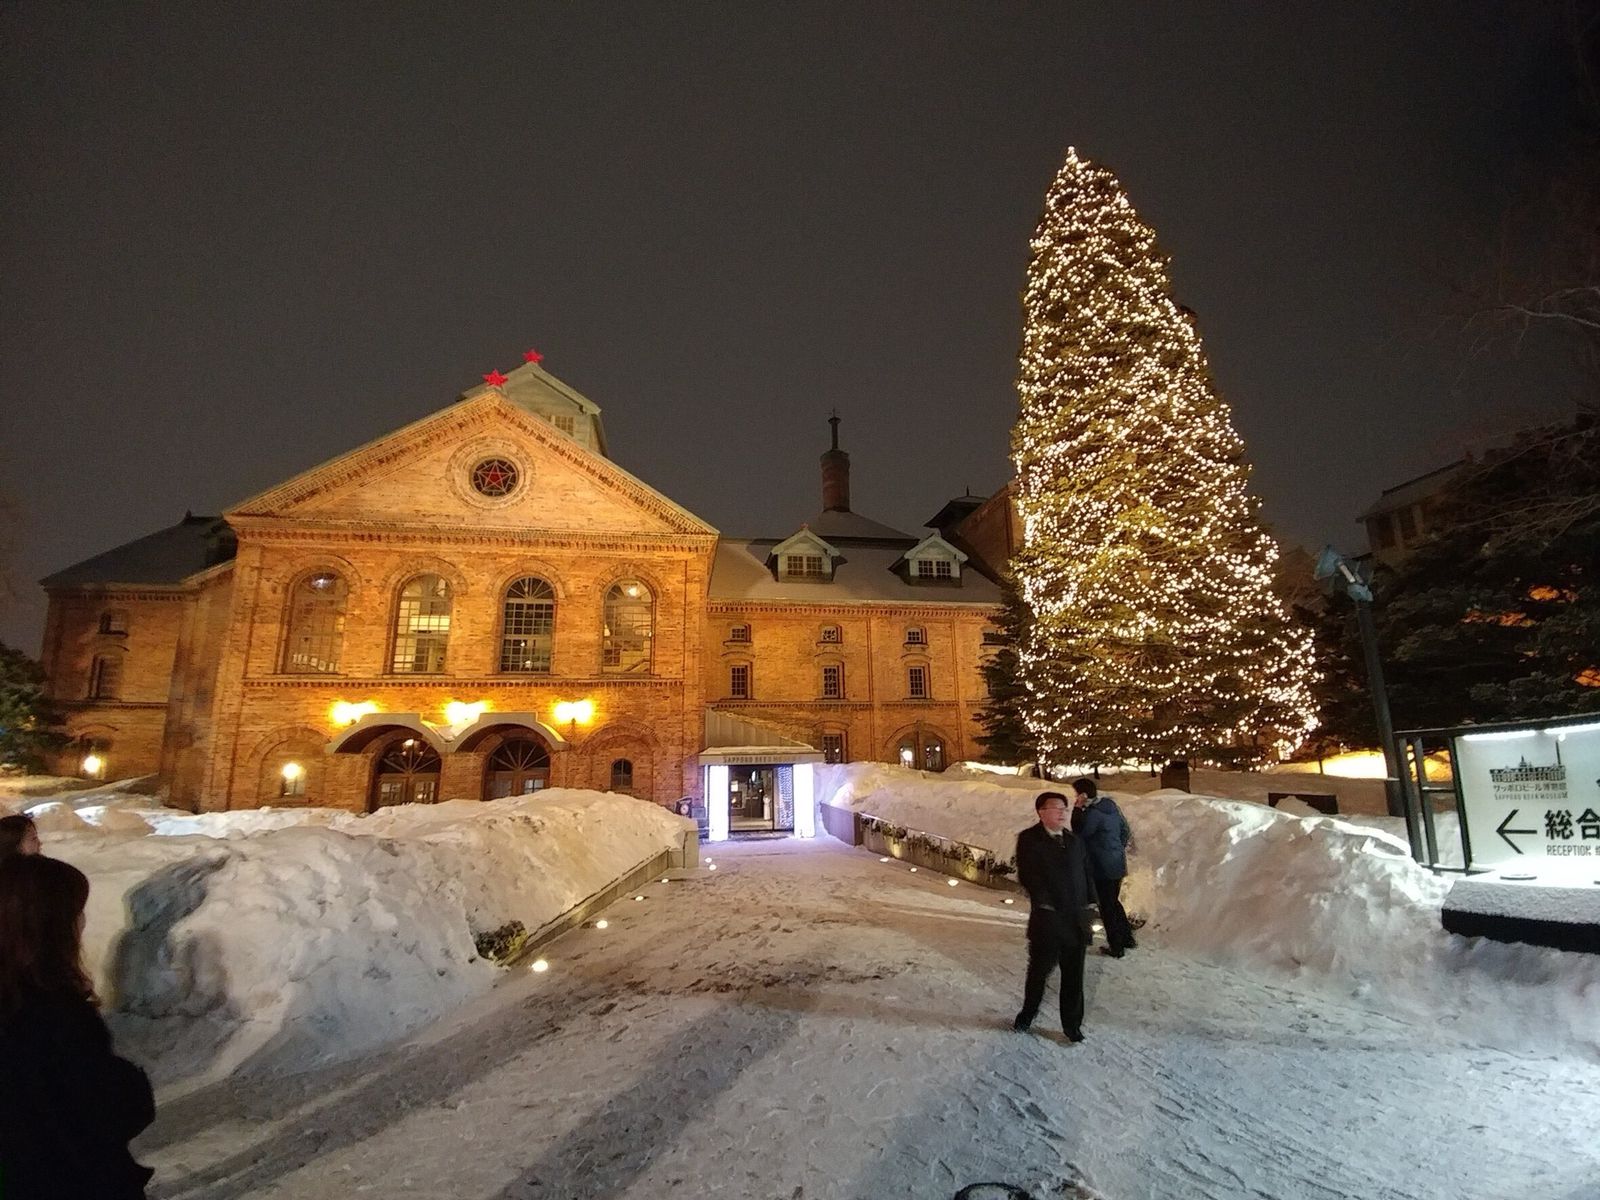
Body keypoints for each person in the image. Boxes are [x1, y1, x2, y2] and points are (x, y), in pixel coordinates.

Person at [0, 854, 155, 1199]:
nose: (83, 921)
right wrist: (132, 1083)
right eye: (75, 911)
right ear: (49, 926)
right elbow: (102, 1111)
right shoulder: (51, 1012)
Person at [1012, 791, 1098, 1042]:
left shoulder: (1074, 841)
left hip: (1076, 921)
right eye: (1056, 808)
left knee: (1074, 975)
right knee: (1039, 972)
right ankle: (1027, 1015)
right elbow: (1028, 875)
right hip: (1048, 920)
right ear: (1041, 811)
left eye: (1064, 808)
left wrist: (1091, 902)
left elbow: (1086, 873)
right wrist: (1045, 902)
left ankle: (1072, 1025)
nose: (1062, 813)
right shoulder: (1029, 839)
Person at [1071, 777, 1136, 957]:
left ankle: (1116, 946)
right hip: (1116, 862)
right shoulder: (1110, 806)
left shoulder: (1092, 814)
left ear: (1082, 794)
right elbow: (1125, 831)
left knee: (1106, 906)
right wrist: (1115, 849)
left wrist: (1078, 809)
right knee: (1113, 902)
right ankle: (1127, 938)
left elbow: (1079, 833)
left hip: (1101, 865)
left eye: (1076, 794)